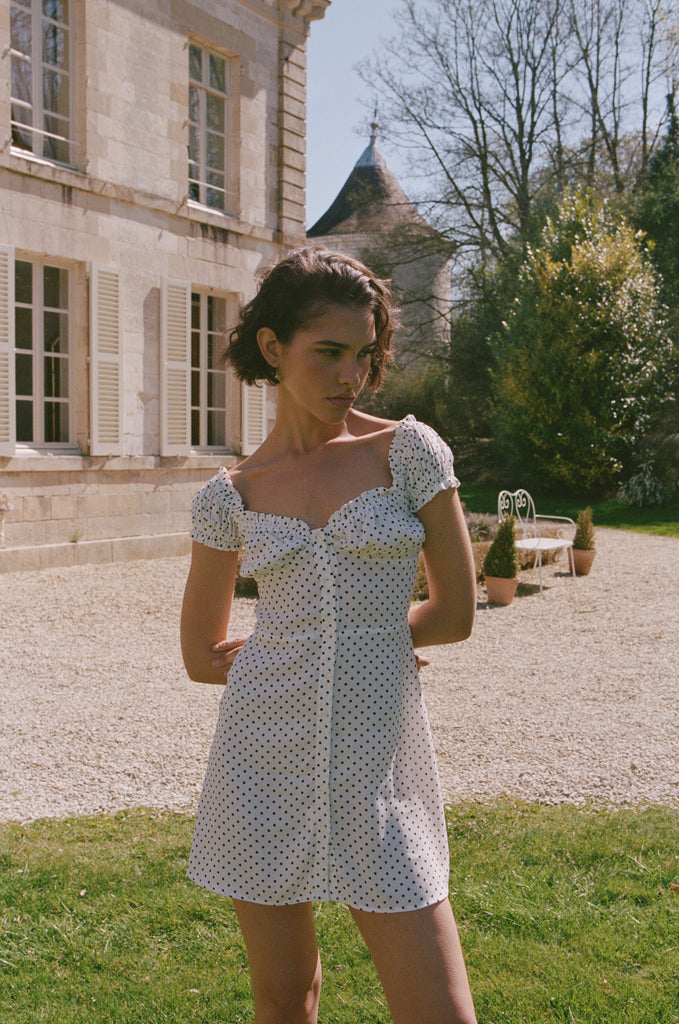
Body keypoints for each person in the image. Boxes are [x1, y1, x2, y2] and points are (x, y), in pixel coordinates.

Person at [180, 247, 478, 1024]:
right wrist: (291, 651)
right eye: (329, 352)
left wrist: (370, 640)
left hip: (379, 770)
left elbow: (454, 613)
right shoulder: (229, 495)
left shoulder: (407, 452)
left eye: (364, 355)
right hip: (259, 764)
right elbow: (200, 654)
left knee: (440, 1012)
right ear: (273, 347)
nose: (352, 375)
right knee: (286, 1000)